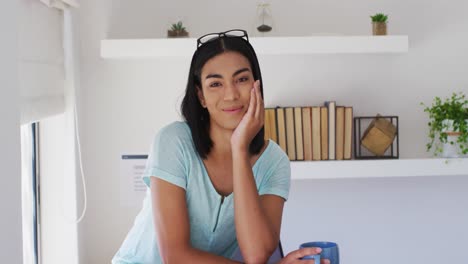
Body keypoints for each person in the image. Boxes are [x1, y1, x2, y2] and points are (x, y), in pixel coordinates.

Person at [112, 29, 329, 264]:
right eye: (215, 83)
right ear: (201, 96)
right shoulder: (173, 142)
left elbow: (257, 254)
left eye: (242, 79)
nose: (231, 95)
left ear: (257, 85)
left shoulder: (274, 162)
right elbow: (175, 257)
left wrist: (239, 149)